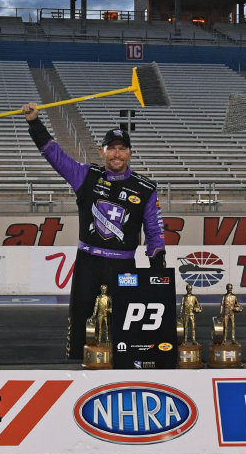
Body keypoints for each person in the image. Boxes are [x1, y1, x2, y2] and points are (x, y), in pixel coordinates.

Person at [23, 103, 166, 359]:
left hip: (124, 267)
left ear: (131, 154)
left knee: (123, 325)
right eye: (112, 148)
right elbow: (54, 155)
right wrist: (35, 123)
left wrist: (158, 266)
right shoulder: (86, 176)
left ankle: (121, 373)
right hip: (88, 263)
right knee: (80, 321)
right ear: (102, 152)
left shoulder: (146, 187)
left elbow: (154, 232)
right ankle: (76, 372)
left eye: (122, 149)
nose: (117, 154)